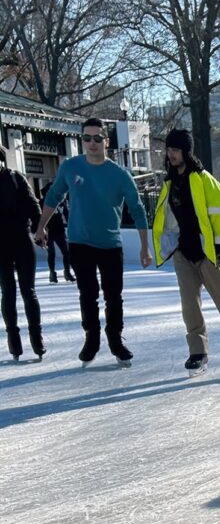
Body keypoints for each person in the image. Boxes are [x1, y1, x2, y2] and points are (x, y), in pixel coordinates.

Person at [36, 118, 151, 366]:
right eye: (87, 138)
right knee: (87, 294)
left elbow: (138, 210)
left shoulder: (120, 175)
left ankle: (115, 338)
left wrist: (145, 247)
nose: (92, 143)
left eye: (97, 138)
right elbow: (54, 196)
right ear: (82, 141)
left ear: (106, 142)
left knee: (113, 296)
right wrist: (41, 226)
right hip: (80, 242)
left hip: (110, 244)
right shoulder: (70, 167)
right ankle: (92, 338)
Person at [151, 129, 220, 375]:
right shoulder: (168, 183)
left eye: (175, 149)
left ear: (186, 152)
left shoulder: (204, 179)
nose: (171, 154)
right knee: (189, 306)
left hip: (211, 254)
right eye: (168, 149)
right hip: (183, 253)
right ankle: (198, 353)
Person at [0, 147, 45, 361]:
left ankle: (36, 338)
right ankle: (14, 341)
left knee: (28, 290)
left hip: (21, 239)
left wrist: (39, 227)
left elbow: (32, 204)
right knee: (8, 291)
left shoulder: (16, 178)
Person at [40, 179, 75, 284]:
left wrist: (70, 224)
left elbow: (67, 214)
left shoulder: (60, 201)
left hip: (59, 229)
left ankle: (67, 272)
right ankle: (52, 274)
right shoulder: (42, 202)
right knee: (52, 253)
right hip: (48, 230)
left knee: (66, 252)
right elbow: (38, 216)